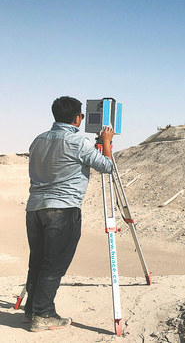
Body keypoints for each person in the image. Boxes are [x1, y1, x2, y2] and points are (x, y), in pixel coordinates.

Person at [24, 96, 115, 332]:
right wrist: (106, 142)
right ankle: (43, 315)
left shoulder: (37, 140)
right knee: (53, 265)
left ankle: (31, 310)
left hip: (34, 209)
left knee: (38, 260)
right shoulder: (78, 142)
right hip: (62, 210)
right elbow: (107, 167)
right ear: (77, 118)